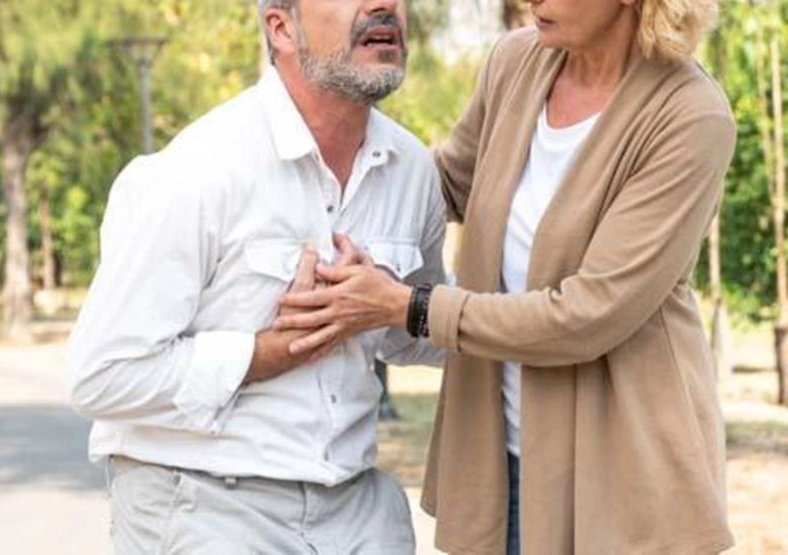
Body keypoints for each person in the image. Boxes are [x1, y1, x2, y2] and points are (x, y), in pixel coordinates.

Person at [273, 0, 738, 552]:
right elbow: (443, 185)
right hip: (499, 464)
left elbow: (589, 315)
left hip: (622, 475)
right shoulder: (516, 62)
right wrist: (322, 174)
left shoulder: (690, 117)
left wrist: (410, 306)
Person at [67, 0, 446, 552]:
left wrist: (397, 304)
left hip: (357, 507)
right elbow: (102, 374)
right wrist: (261, 354)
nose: (384, 5)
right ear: (281, 28)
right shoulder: (197, 169)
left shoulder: (411, 170)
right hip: (202, 501)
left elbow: (412, 339)